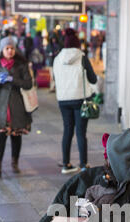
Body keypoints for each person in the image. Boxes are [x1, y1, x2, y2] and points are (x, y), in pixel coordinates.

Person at [53, 28, 97, 174]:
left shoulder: (57, 58)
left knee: (67, 131)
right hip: (80, 99)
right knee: (80, 132)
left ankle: (66, 164)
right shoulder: (82, 57)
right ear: (78, 44)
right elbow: (93, 79)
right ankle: (83, 165)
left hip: (63, 100)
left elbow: (55, 79)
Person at [0, 36, 33, 177]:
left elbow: (28, 84)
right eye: (7, 48)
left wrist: (14, 80)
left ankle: (15, 163)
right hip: (0, 106)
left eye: (12, 48)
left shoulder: (21, 64)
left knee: (16, 136)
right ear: (2, 49)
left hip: (17, 105)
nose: (10, 51)